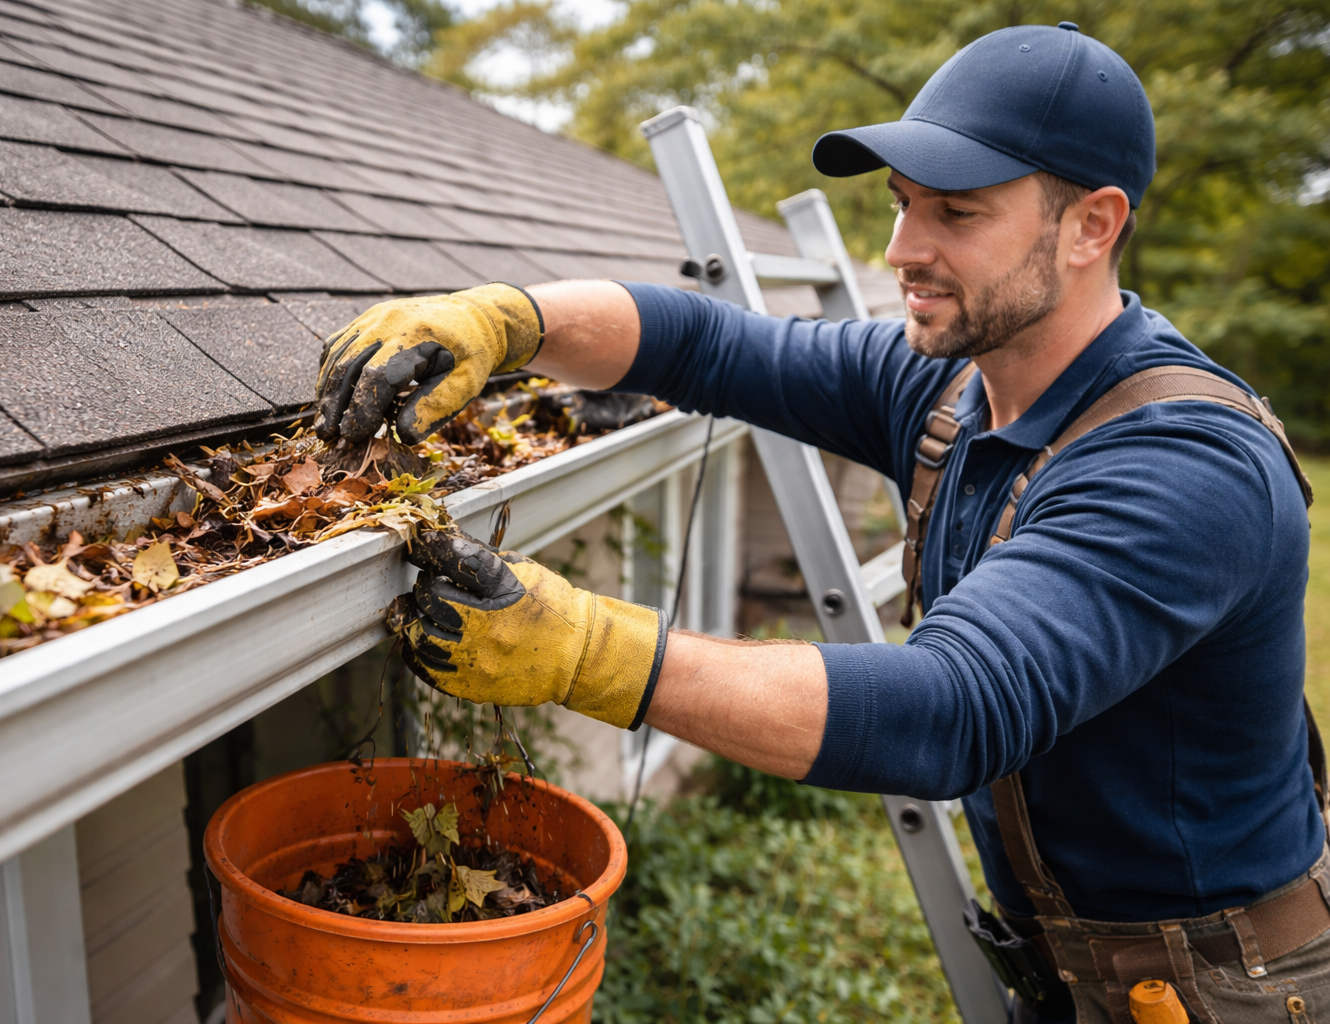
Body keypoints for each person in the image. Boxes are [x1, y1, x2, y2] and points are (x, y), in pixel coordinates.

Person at [314, 22, 1324, 1024]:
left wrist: (588, 651)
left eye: (956, 214)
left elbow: (950, 710)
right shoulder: (948, 385)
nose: (901, 251)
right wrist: (511, 320)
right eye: (900, 205)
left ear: (1093, 225)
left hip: (1229, 989)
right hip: (1077, 977)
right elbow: (707, 342)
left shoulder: (1185, 465)